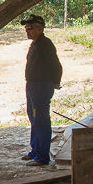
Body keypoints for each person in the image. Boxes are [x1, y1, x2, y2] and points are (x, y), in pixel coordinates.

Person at [21, 14, 62, 165]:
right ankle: (35, 150)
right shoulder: (35, 44)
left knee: (41, 119)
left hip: (41, 86)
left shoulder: (46, 44)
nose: (27, 31)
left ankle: (42, 156)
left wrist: (56, 82)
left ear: (40, 28)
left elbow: (56, 65)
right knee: (33, 118)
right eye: (26, 28)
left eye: (30, 28)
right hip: (32, 85)